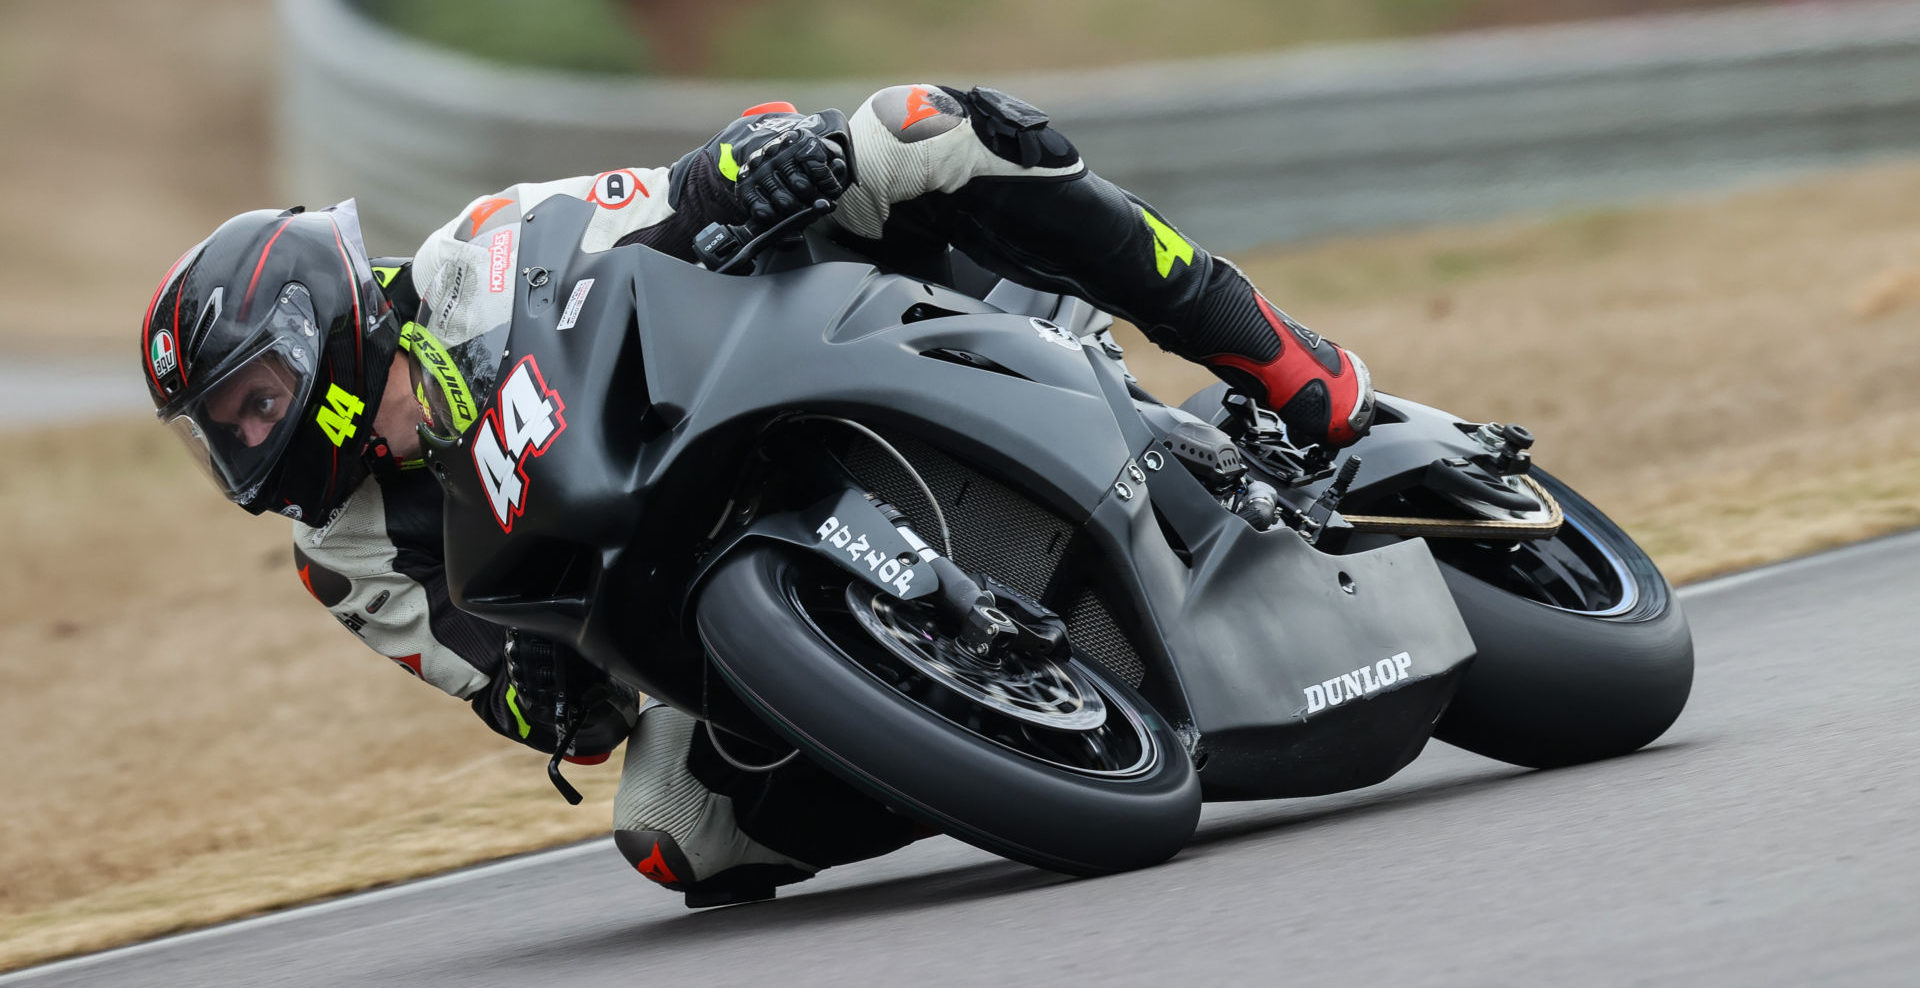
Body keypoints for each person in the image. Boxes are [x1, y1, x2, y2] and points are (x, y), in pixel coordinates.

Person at [138, 84, 1376, 907]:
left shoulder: (476, 256)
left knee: (916, 126)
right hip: (692, 571)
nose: (250, 440)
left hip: (792, 349)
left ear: (322, 326)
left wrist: (744, 164)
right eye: (224, 431)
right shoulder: (340, 555)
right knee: (672, 827)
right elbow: (497, 675)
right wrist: (541, 691)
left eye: (254, 398)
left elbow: (657, 204)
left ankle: (1267, 346)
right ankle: (984, 742)